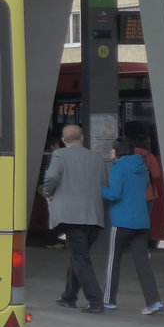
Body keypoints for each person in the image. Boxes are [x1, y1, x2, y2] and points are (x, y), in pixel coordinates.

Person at [43, 125, 109, 312]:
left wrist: (47, 193)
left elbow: (52, 178)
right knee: (79, 256)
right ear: (82, 138)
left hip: (72, 215)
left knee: (80, 259)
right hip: (94, 216)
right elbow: (104, 183)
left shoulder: (60, 155)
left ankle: (95, 301)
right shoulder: (96, 158)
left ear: (64, 140)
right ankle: (69, 296)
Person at [102, 137, 164, 314]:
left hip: (121, 221)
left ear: (118, 151)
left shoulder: (119, 167)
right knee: (143, 263)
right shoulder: (142, 167)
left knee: (114, 261)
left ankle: (109, 300)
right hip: (141, 221)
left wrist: (100, 190)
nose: (111, 153)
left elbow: (114, 194)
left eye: (112, 150)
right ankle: (153, 301)